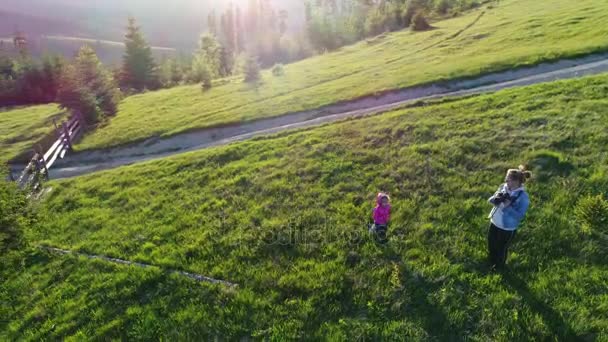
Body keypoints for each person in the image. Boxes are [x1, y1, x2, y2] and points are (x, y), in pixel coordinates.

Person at [487, 165, 532, 270]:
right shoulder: (503, 187)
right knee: (491, 244)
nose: (506, 181)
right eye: (506, 179)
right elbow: (491, 200)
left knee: (501, 248)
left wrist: (507, 207)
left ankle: (499, 267)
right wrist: (496, 198)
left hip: (507, 228)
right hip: (494, 221)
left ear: (517, 182)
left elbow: (520, 216)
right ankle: (491, 261)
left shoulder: (523, 197)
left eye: (509, 180)